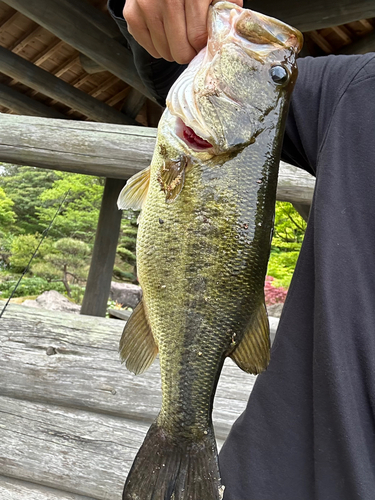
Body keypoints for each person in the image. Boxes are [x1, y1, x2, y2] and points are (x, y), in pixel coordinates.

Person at [108, 1, 375, 498]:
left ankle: (183, 427)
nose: (275, 67)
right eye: (280, 75)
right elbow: (171, 57)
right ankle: (184, 428)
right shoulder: (360, 91)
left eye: (275, 73)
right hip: (267, 476)